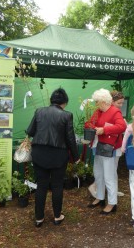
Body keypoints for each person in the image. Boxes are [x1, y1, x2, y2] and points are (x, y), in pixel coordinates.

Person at [26, 88, 79, 227]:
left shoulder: (39, 111)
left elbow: (30, 131)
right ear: (65, 102)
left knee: (41, 186)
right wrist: (76, 157)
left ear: (51, 100)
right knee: (57, 186)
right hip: (58, 156)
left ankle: (39, 218)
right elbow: (70, 139)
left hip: (39, 154)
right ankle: (57, 217)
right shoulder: (67, 115)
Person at [85, 88, 127, 214]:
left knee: (109, 176)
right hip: (98, 146)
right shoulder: (98, 111)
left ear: (103, 101)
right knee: (98, 172)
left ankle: (112, 203)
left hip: (109, 148)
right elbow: (89, 123)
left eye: (97, 101)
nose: (96, 104)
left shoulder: (115, 112)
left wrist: (104, 130)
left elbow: (122, 127)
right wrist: (91, 126)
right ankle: (100, 197)